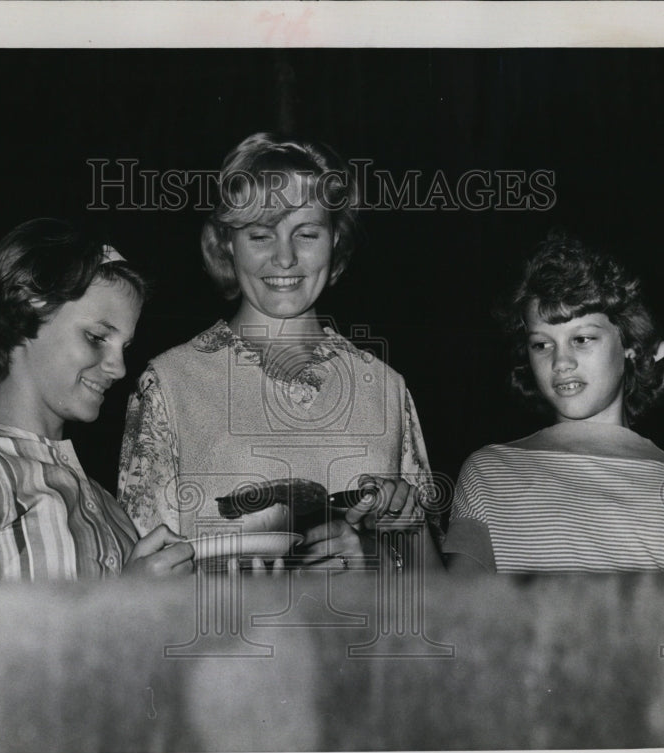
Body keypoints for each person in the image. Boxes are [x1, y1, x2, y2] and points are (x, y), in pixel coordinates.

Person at [117, 133, 433, 569]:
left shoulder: (386, 387)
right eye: (261, 235)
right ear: (227, 242)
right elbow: (142, 585)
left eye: (306, 233)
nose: (284, 259)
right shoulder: (171, 383)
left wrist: (376, 558)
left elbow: (434, 596)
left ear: (336, 239)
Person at [0, 218, 194, 581]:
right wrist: (131, 600)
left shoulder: (108, 507)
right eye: (97, 337)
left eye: (125, 347)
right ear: (25, 312)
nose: (119, 368)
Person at [443, 233, 664, 573]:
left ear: (631, 344)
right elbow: (459, 614)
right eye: (541, 345)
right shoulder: (490, 471)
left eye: (582, 339)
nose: (560, 362)